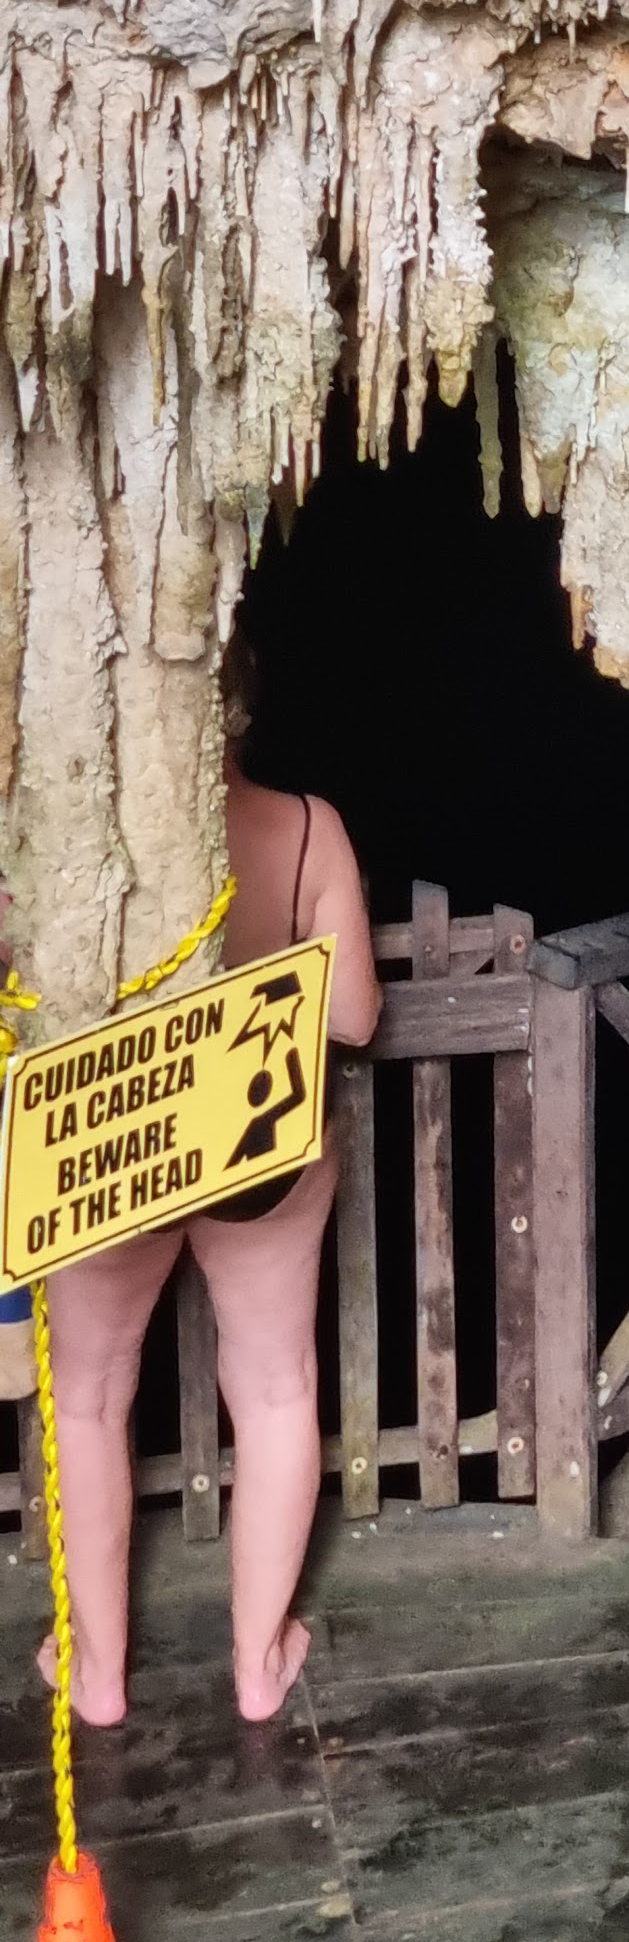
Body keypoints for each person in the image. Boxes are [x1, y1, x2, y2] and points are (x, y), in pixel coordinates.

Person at [34, 679, 380, 1726]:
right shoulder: (310, 829)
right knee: (275, 1388)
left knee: (88, 1396)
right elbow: (357, 1017)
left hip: (117, 1147)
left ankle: (97, 1676)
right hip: (258, 1146)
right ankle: (257, 1660)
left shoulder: (75, 850)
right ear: (232, 712)